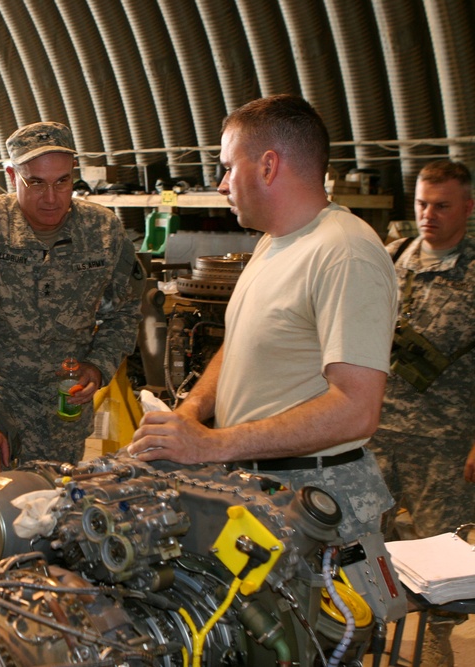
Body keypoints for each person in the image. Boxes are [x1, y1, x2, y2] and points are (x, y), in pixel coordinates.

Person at [127, 95, 398, 545]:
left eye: (229, 167)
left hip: (314, 501)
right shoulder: (275, 242)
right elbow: (238, 348)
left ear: (269, 166)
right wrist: (191, 413)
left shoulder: (344, 253)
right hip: (260, 488)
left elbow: (357, 410)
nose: (221, 184)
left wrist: (213, 444)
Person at [0, 122, 145, 525]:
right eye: (36, 182)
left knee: (49, 519)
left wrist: (99, 365)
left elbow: (126, 310)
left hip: (61, 405)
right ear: (12, 177)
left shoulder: (103, 231)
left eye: (63, 182)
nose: (51, 197)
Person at [370, 160, 475, 666]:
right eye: (421, 204)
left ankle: (436, 650)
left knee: (441, 565)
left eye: (442, 205)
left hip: (444, 443)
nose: (428, 215)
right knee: (363, 546)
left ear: (468, 208)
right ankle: (364, 639)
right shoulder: (390, 259)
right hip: (377, 434)